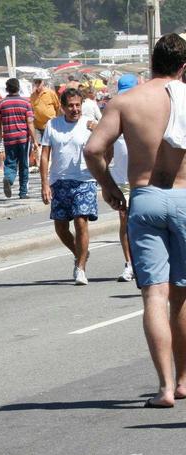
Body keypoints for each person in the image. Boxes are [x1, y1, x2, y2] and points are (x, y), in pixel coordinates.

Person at [83, 33, 186, 408]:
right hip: (185, 196)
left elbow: (93, 149)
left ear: (151, 62)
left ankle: (164, 387)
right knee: (182, 293)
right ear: (184, 66)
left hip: (144, 198)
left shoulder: (126, 100)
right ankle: (185, 379)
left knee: (154, 295)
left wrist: (110, 188)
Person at [39, 88, 97, 286]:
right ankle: (80, 252)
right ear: (62, 107)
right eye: (70, 106)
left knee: (81, 222)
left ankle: (80, 268)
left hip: (84, 179)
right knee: (61, 227)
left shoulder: (89, 124)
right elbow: (45, 155)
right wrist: (45, 183)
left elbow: (106, 143)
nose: (75, 109)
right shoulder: (52, 125)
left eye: (78, 105)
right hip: (59, 181)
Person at [106, 74, 138, 282]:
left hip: (144, 178)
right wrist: (105, 182)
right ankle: (129, 264)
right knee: (125, 220)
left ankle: (144, 262)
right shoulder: (113, 117)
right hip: (122, 179)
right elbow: (105, 151)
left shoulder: (146, 114)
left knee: (144, 222)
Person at [0, 78, 39, 199]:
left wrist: (0, 137)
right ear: (18, 88)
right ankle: (23, 192)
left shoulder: (1, 104)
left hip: (9, 138)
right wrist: (35, 140)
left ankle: (8, 179)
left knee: (10, 162)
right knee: (24, 165)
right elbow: (30, 123)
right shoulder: (26, 103)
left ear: (7, 89)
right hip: (24, 139)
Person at [30, 75, 61, 143]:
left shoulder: (50, 93)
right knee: (37, 146)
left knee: (50, 145)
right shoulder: (32, 96)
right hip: (38, 126)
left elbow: (57, 107)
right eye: (36, 82)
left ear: (43, 82)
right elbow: (32, 109)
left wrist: (56, 120)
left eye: (39, 82)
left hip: (51, 125)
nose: (37, 84)